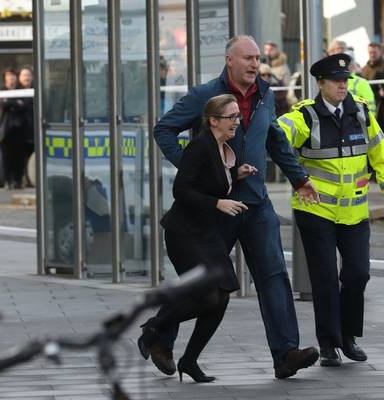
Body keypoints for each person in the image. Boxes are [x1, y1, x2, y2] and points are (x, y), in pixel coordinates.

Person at [149, 35, 320, 379]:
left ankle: (286, 352)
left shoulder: (266, 94)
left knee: (273, 275)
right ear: (230, 60)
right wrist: (197, 168)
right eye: (248, 58)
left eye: (258, 58)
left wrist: (299, 178)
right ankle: (159, 339)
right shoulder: (205, 95)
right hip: (216, 209)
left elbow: (275, 139)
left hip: (255, 205)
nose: (255, 64)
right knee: (201, 283)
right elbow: (164, 129)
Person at [139, 94, 257, 383]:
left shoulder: (220, 148)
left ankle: (189, 360)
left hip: (205, 232)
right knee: (206, 296)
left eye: (237, 118)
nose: (236, 123)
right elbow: (182, 190)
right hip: (183, 233)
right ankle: (154, 327)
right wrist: (217, 203)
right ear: (213, 120)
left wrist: (236, 174)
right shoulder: (199, 147)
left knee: (222, 296)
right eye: (231, 118)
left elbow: (211, 179)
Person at [277, 53, 384, 367]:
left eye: (345, 80)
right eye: (336, 81)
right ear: (320, 83)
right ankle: (329, 344)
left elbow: (380, 151)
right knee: (324, 279)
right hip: (316, 211)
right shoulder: (304, 116)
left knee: (358, 274)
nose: (342, 85)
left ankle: (348, 335)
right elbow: (274, 139)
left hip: (353, 212)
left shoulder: (361, 113)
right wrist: (297, 178)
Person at [327, 40, 376, 115]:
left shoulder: (361, 82)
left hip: (357, 122)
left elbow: (370, 108)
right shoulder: (328, 81)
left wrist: (367, 122)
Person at [0, 67, 27, 189]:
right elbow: (2, 104)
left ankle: (18, 180)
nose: (11, 78)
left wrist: (9, 103)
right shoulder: (1, 91)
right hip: (5, 129)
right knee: (6, 157)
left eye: (13, 75)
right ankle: (7, 180)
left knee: (19, 156)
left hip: (20, 128)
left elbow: (24, 105)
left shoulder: (22, 90)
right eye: (8, 76)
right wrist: (15, 103)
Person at [18, 66, 35, 186]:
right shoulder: (16, 91)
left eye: (28, 75)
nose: (26, 78)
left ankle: (32, 180)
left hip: (34, 130)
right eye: (24, 75)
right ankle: (22, 179)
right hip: (20, 131)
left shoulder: (36, 90)